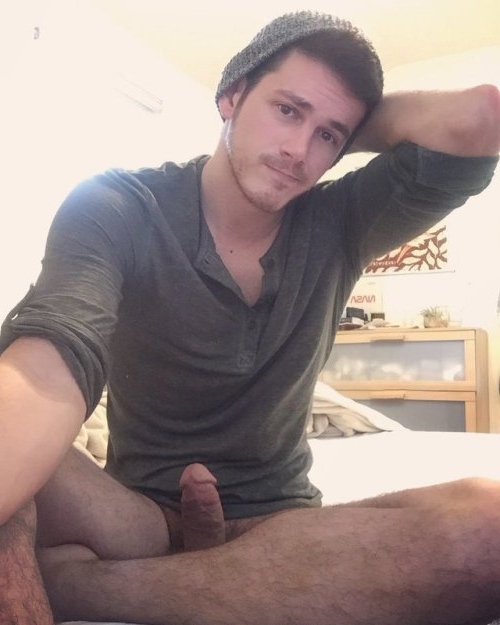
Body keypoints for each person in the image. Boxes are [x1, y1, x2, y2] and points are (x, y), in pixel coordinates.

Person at [1, 10, 499, 625]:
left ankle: (80, 588)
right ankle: (210, 578)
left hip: (281, 522)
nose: (298, 152)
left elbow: (482, 115)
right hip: (137, 518)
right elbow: (52, 354)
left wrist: (334, 122)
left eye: (327, 136)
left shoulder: (342, 221)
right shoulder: (120, 204)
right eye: (287, 110)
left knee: (489, 524)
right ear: (231, 96)